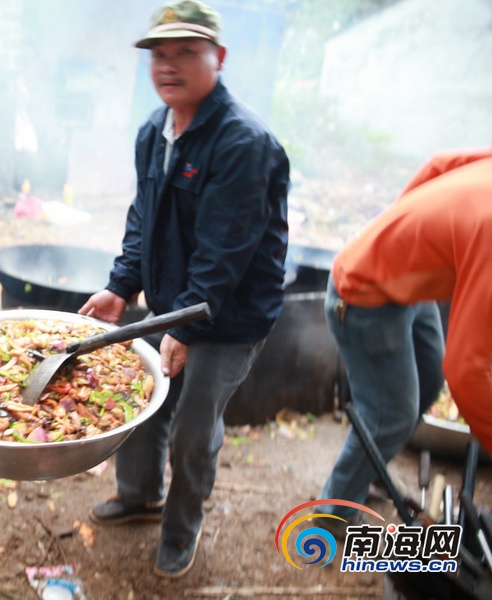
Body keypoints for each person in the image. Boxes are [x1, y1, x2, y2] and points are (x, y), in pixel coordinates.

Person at [80, 0, 290, 579]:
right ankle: (140, 495)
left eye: (186, 53)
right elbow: (143, 218)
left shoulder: (243, 143)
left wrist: (186, 328)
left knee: (195, 427)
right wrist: (122, 287)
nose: (168, 66)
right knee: (142, 402)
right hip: (174, 305)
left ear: (217, 58)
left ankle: (182, 526)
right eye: (160, 54)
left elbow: (225, 253)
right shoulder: (155, 130)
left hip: (229, 315)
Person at [317, 147, 492, 527]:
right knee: (390, 417)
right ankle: (333, 513)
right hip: (362, 295)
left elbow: (441, 164)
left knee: (428, 383)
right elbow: (466, 371)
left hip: (408, 284)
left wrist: (404, 239)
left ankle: (372, 465)